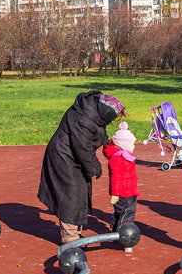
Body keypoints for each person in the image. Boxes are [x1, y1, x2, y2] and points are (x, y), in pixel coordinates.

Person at [37, 91, 124, 244]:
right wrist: (95, 168)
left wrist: (108, 144)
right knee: (70, 196)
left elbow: (99, 129)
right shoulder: (82, 119)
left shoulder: (91, 111)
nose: (114, 121)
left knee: (80, 193)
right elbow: (83, 149)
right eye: (114, 118)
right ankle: (69, 239)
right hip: (63, 159)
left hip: (73, 157)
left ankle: (75, 234)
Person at [105, 121, 139, 231]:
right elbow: (116, 177)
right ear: (124, 146)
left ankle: (116, 229)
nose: (134, 146)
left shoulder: (126, 156)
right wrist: (115, 194)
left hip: (130, 191)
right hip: (123, 193)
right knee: (127, 214)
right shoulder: (117, 158)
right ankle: (123, 233)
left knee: (123, 212)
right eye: (132, 144)